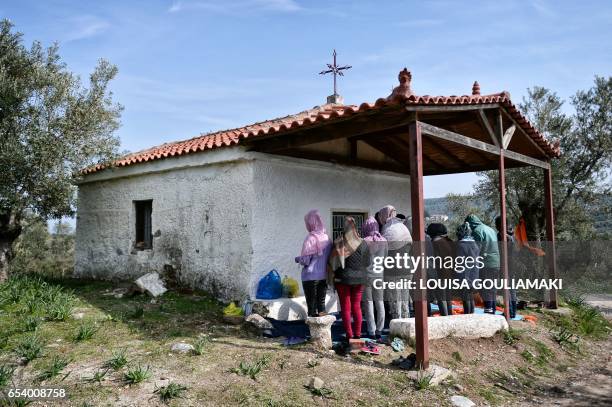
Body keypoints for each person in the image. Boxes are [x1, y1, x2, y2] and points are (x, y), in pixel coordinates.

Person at [329, 216, 370, 340]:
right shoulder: (363, 243)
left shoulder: (339, 242)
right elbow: (368, 262)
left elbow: (333, 263)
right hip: (360, 280)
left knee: (346, 308)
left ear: (344, 227)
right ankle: (357, 335)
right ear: (355, 226)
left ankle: (349, 335)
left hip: (343, 280)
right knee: (356, 306)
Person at [295, 210, 332, 317]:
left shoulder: (310, 238)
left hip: (310, 277)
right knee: (321, 305)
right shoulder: (327, 238)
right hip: (323, 276)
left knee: (312, 307)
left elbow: (305, 260)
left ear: (310, 223)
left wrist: (297, 259)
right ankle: (322, 331)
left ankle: (312, 331)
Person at [378, 205, 412, 320]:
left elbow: (382, 251)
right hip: (407, 268)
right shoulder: (403, 227)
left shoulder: (386, 229)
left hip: (393, 270)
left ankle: (397, 331)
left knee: (394, 301)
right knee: (404, 300)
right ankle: (407, 328)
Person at [465, 214, 500, 314]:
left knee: (485, 287)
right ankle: (492, 309)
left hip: (486, 263)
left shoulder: (477, 231)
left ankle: (488, 310)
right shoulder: (490, 229)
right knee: (492, 287)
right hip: (496, 262)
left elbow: (476, 250)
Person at [361, 216, 388, 339]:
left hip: (366, 275)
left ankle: (371, 330)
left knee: (369, 303)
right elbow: (386, 257)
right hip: (379, 275)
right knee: (380, 302)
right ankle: (380, 330)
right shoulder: (384, 240)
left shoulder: (364, 241)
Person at [426, 223, 454, 316]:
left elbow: (432, 260)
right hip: (449, 273)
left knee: (441, 299)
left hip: (440, 274)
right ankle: (450, 317)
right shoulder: (447, 241)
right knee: (448, 298)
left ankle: (445, 318)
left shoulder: (434, 243)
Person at [495, 216, 518, 319]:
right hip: (512, 264)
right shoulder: (511, 234)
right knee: (512, 289)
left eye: (496, 224)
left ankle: (509, 312)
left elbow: (502, 251)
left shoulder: (504, 236)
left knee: (507, 289)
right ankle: (512, 312)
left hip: (506, 265)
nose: (495, 226)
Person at [455, 222, 480, 314]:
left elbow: (459, 262)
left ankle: (467, 315)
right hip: (474, 273)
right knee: (470, 296)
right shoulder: (475, 244)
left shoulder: (461, 245)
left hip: (465, 275)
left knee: (465, 297)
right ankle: (471, 314)